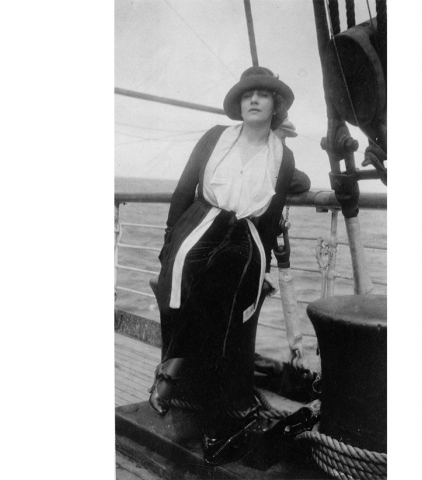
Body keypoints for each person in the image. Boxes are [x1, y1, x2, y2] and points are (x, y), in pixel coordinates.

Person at [148, 66, 311, 465]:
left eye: (263, 95)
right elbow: (184, 189)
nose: (253, 100)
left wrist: (265, 266)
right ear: (239, 104)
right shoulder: (214, 138)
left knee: (233, 275)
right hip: (201, 221)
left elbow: (272, 215)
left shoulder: (282, 155)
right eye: (247, 95)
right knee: (191, 271)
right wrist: (169, 241)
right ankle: (218, 409)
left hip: (246, 233)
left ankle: (177, 366)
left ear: (276, 106)